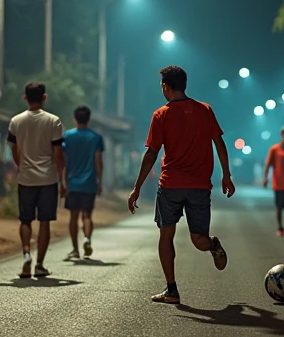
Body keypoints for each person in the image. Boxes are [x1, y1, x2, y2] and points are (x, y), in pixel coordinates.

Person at [128, 65, 235, 304]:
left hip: (170, 186)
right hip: (199, 186)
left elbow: (151, 153)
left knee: (167, 236)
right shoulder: (204, 110)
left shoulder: (161, 114)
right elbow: (220, 144)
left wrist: (136, 187)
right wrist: (226, 175)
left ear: (166, 86)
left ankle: (171, 289)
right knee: (199, 241)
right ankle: (204, 254)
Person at [7, 82, 65, 279]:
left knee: (25, 219)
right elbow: (58, 154)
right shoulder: (54, 121)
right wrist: (62, 180)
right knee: (45, 221)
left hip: (26, 178)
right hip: (48, 179)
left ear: (25, 98)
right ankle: (39, 264)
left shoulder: (15, 121)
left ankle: (25, 254)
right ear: (45, 97)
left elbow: (13, 150)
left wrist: (21, 165)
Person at [62, 105, 104, 261]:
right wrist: (100, 182)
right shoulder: (96, 138)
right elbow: (98, 161)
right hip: (89, 183)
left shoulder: (67, 136)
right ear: (89, 120)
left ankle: (75, 249)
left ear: (75, 119)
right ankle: (87, 239)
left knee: (73, 216)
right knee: (87, 215)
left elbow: (63, 160)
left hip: (72, 183)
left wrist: (63, 181)